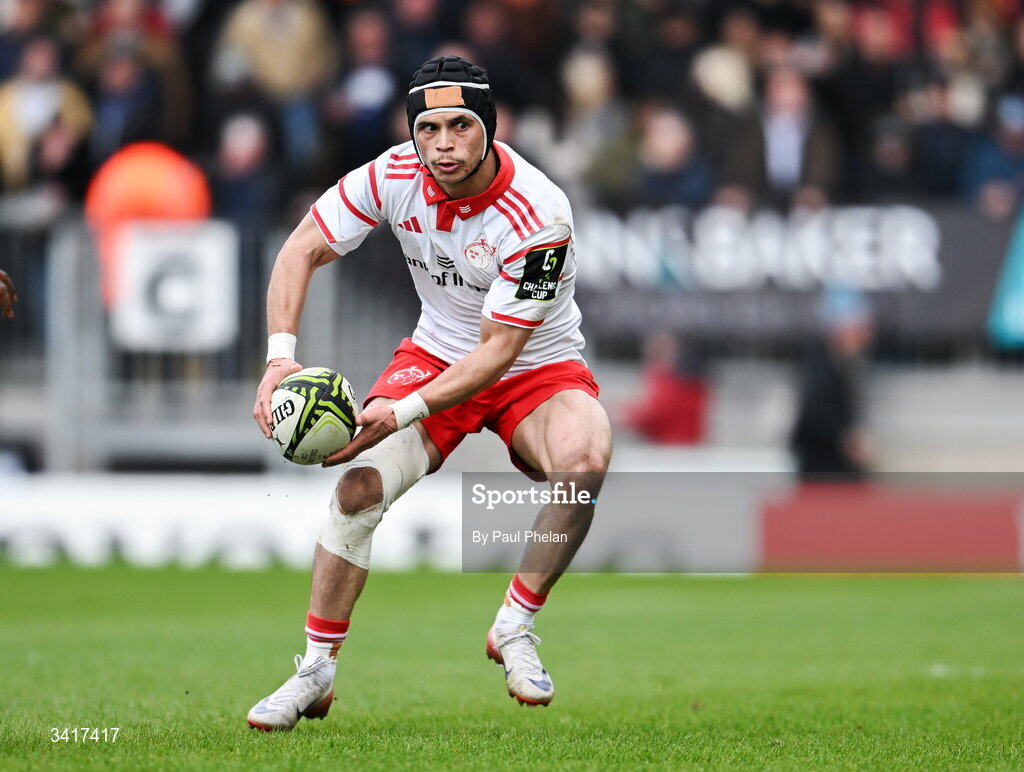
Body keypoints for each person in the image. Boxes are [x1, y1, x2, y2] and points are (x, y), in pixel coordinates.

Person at [247, 55, 612, 731]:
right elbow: (300, 248)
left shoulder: (540, 214)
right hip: (437, 351)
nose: (443, 144)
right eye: (429, 129)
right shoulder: (391, 174)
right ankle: (315, 670)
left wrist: (403, 410)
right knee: (357, 491)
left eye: (460, 127)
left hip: (535, 366)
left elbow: (500, 352)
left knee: (583, 463)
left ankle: (514, 625)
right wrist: (278, 360)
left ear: (490, 129)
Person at [789, 287, 874, 481]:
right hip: (824, 471)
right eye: (861, 328)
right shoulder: (820, 364)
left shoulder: (843, 363)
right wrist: (845, 437)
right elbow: (814, 412)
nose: (866, 336)